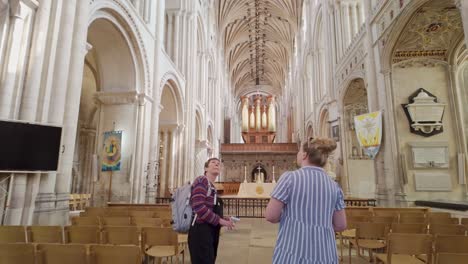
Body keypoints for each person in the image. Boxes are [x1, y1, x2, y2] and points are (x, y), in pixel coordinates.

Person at [265, 138, 347, 263]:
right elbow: (341, 225)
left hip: (293, 252)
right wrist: (319, 226)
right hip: (325, 254)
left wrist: (291, 220)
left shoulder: (290, 179)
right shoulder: (334, 186)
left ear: (304, 155)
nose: (297, 154)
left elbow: (271, 216)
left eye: (299, 151)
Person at [188, 158, 235, 264]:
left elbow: (210, 210)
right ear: (205, 168)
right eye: (213, 163)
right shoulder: (201, 180)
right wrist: (220, 221)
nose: (217, 164)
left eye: (219, 164)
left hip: (210, 231)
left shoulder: (212, 187)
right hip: (200, 231)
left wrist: (224, 219)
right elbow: (199, 207)